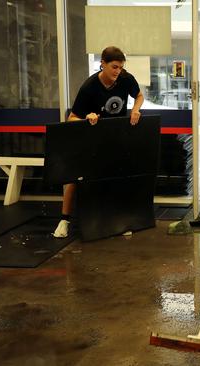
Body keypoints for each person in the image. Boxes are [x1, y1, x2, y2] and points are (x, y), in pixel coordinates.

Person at [53, 46, 144, 238]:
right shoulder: (89, 87)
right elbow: (71, 118)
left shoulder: (125, 78)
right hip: (91, 136)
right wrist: (87, 119)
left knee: (118, 178)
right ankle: (64, 220)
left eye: (120, 67)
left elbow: (139, 95)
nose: (117, 72)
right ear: (102, 63)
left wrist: (136, 109)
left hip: (114, 135)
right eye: (114, 67)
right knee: (75, 177)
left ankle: (119, 221)